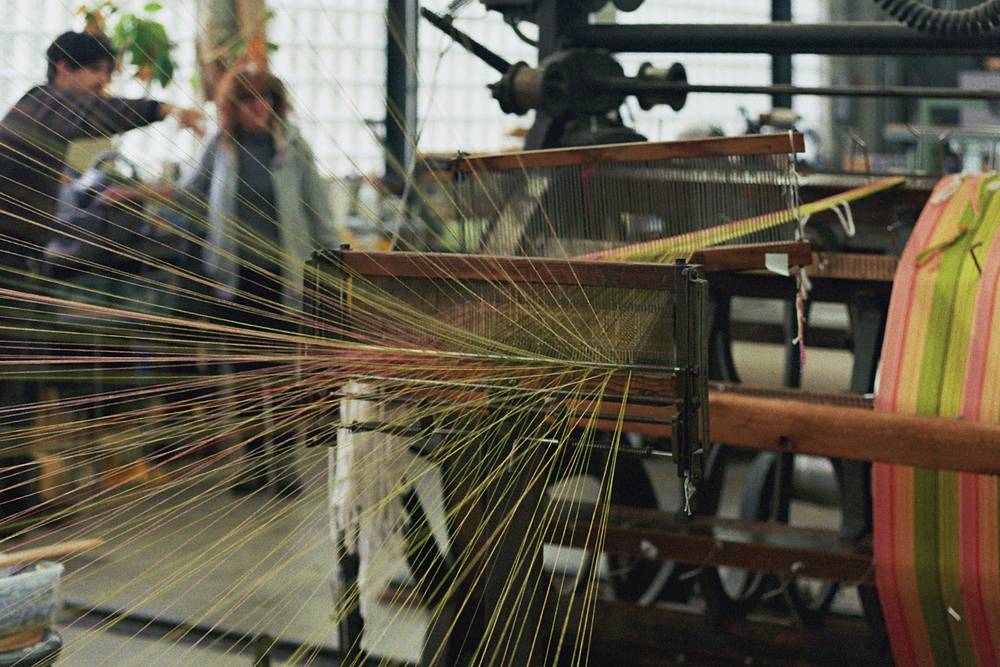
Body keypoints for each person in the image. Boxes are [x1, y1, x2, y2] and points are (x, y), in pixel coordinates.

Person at [0, 30, 203, 529]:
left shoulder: (41, 115)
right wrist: (164, 109)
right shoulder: (42, 104)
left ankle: (18, 497)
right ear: (64, 69)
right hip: (7, 261)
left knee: (22, 382)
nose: (103, 85)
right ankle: (12, 501)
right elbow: (95, 115)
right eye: (97, 73)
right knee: (12, 382)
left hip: (21, 262)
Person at [173, 64, 339, 497]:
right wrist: (138, 196)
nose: (258, 106)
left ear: (277, 103)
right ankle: (253, 464)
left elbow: (317, 208)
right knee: (244, 377)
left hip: (283, 280)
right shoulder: (220, 146)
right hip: (234, 280)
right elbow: (189, 193)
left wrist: (337, 262)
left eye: (266, 98)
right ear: (233, 106)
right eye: (248, 99)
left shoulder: (294, 146)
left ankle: (283, 465)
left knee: (282, 374)